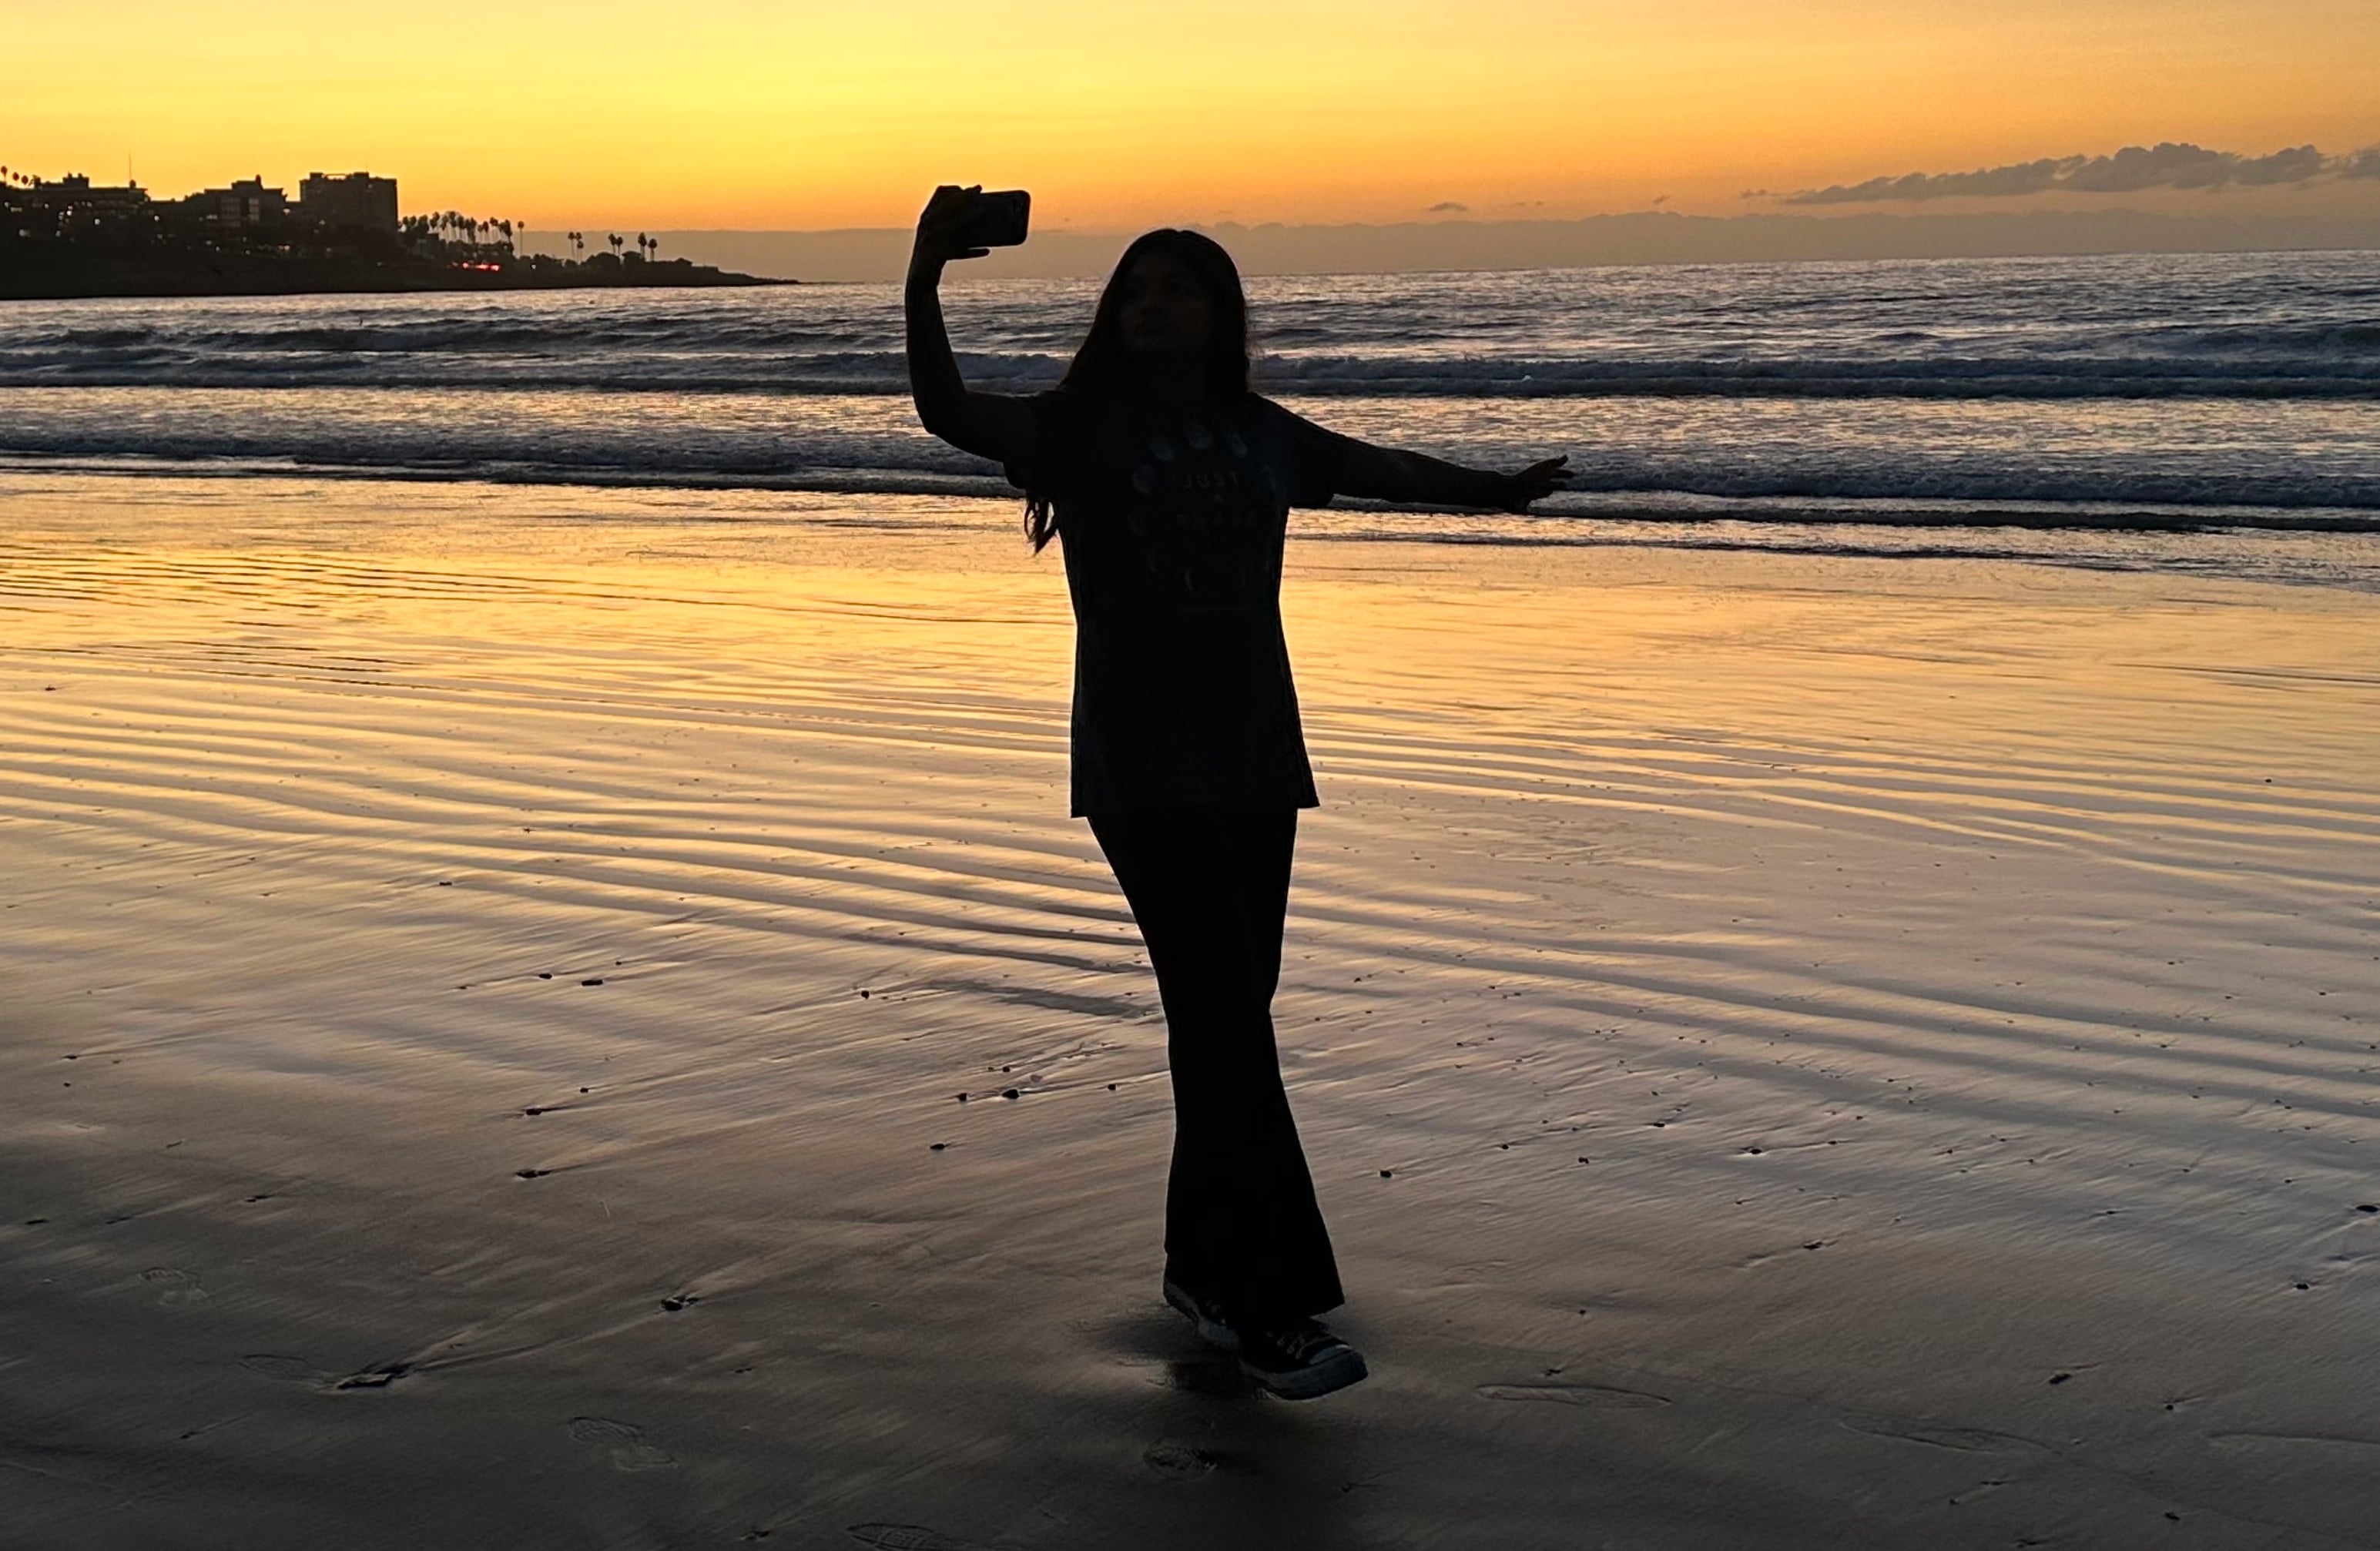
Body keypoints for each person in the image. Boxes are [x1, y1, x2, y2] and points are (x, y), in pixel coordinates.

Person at [904, 185, 1567, 1401]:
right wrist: (925, 273)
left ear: (1221, 316)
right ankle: (1267, 1308)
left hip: (1257, 758)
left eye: (1181, 288)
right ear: (1114, 318)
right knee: (1222, 1021)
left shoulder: (1261, 433)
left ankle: (1205, 1274)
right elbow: (946, 410)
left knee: (1226, 1018)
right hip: (1142, 765)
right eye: (1137, 290)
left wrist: (1499, 492)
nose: (1156, 305)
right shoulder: (1077, 427)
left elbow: (1385, 469)